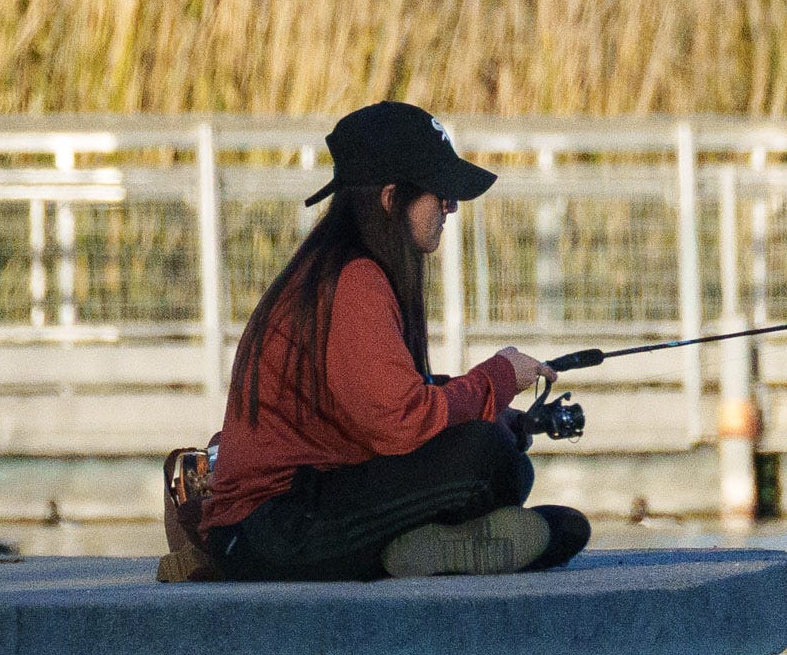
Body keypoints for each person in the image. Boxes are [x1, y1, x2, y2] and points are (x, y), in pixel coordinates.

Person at [198, 101, 590, 580]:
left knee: (555, 517)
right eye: (439, 193)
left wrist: (497, 410)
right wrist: (497, 379)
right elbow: (402, 424)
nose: (450, 206)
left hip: (284, 520)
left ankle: (415, 550)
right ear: (390, 199)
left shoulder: (334, 269)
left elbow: (383, 402)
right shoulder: (355, 279)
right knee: (491, 460)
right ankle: (413, 549)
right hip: (269, 530)